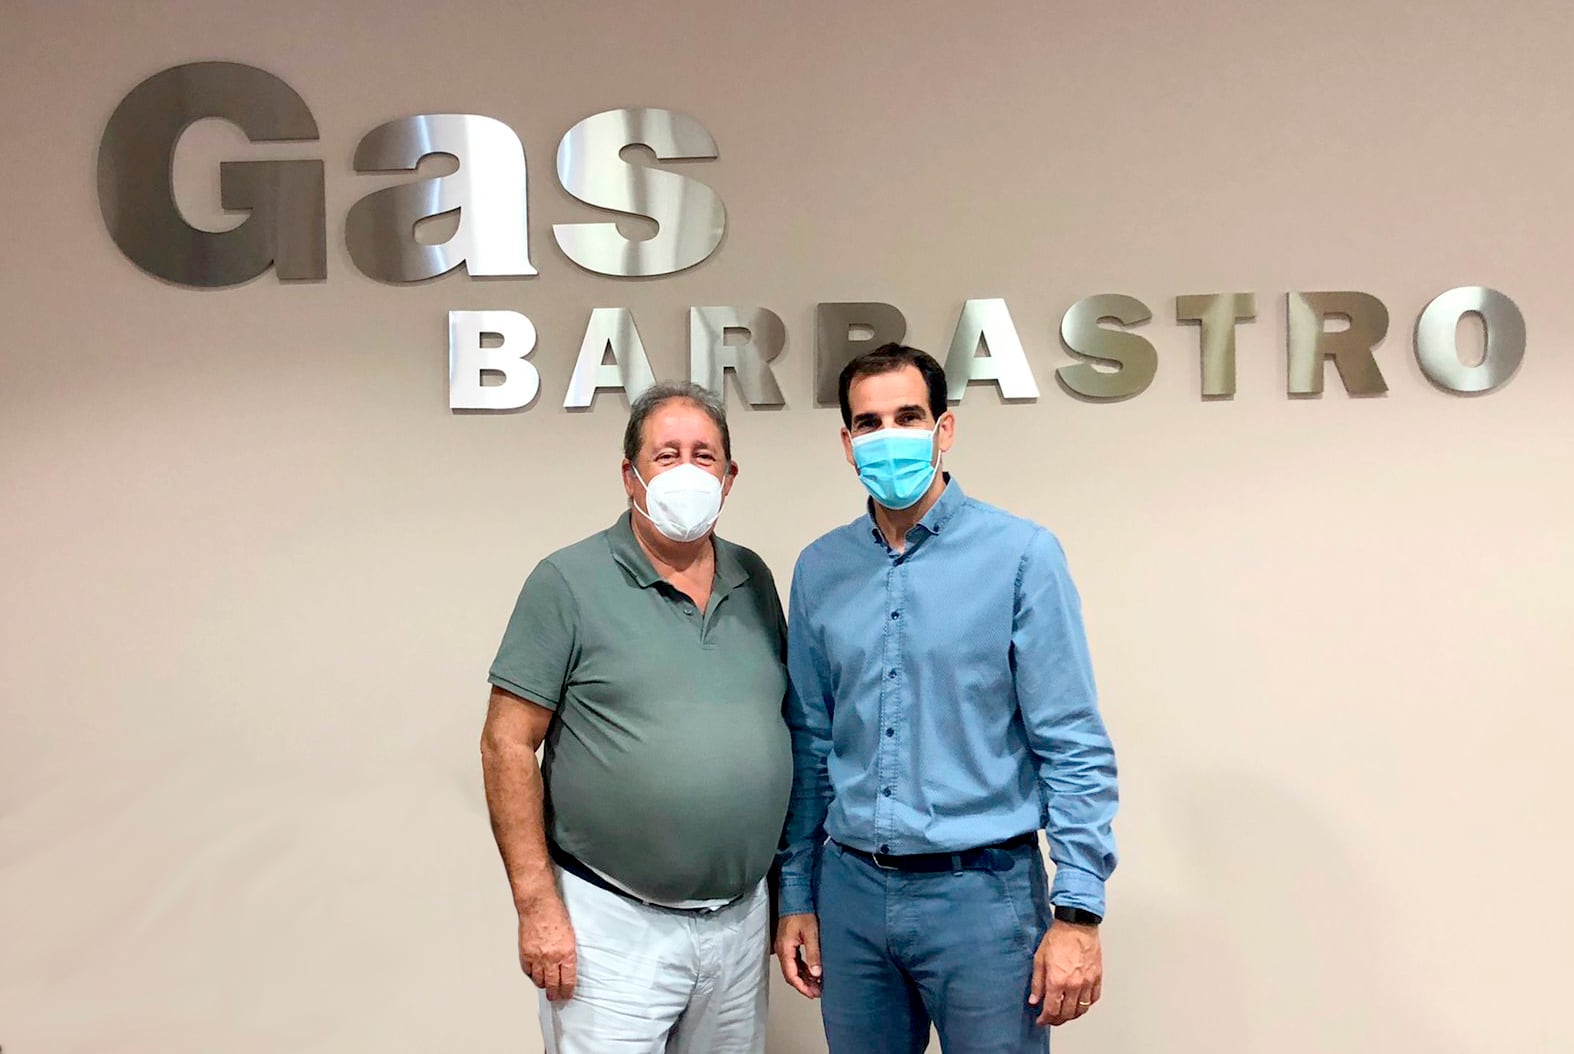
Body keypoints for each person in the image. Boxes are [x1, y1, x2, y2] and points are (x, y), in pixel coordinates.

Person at [774, 344, 1119, 1053]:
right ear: (846, 442)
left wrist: (1079, 912)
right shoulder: (820, 569)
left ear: (945, 428)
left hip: (982, 898)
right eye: (869, 423)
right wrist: (798, 892)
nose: (888, 436)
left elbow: (1071, 742)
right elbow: (810, 740)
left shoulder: (1021, 556)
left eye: (908, 417)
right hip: (851, 895)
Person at [480, 381, 792, 1054]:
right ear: (630, 475)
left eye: (704, 455)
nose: (687, 470)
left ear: (729, 476)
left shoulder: (754, 580)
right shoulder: (567, 581)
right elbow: (507, 743)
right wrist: (536, 905)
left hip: (740, 924)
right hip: (610, 923)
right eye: (666, 454)